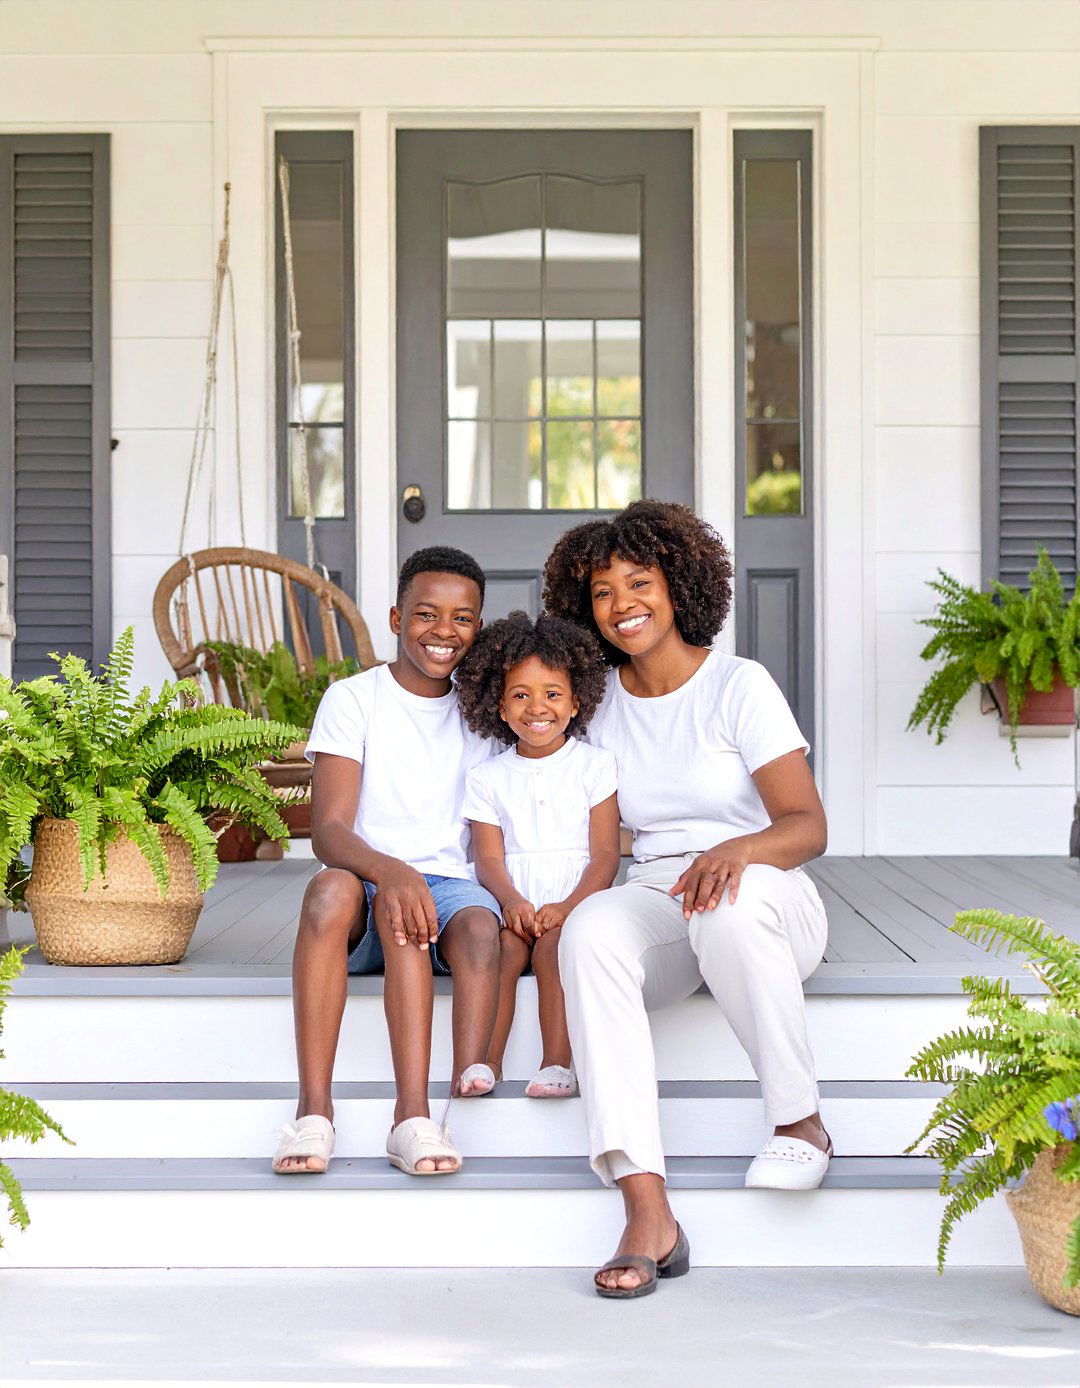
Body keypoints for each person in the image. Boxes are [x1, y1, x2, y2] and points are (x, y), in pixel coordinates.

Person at [544, 499, 830, 1299]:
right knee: (592, 933)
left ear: (680, 586)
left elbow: (808, 825)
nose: (622, 604)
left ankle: (798, 1119)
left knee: (729, 908)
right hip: (660, 900)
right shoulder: (595, 707)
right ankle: (646, 1208)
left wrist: (734, 850)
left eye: (640, 582)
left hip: (766, 892)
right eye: (602, 591)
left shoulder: (740, 686)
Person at [272, 545, 502, 1179]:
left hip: (451, 889)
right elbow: (329, 831)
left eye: (463, 618)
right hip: (368, 879)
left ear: (477, 627)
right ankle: (313, 1112)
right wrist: (393, 872)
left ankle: (413, 1118)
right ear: (398, 617)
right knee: (327, 893)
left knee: (482, 928)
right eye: (428, 615)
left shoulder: (485, 711)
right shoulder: (354, 700)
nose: (444, 632)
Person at [455, 611, 620, 1098]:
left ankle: (556, 1064)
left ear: (575, 703)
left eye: (552, 694)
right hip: (514, 902)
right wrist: (511, 903)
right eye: (520, 695)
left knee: (554, 950)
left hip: (576, 900)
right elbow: (487, 858)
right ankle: (485, 1063)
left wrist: (567, 908)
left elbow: (606, 854)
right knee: (504, 951)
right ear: (500, 708)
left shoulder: (594, 766)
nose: (537, 707)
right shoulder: (487, 776)